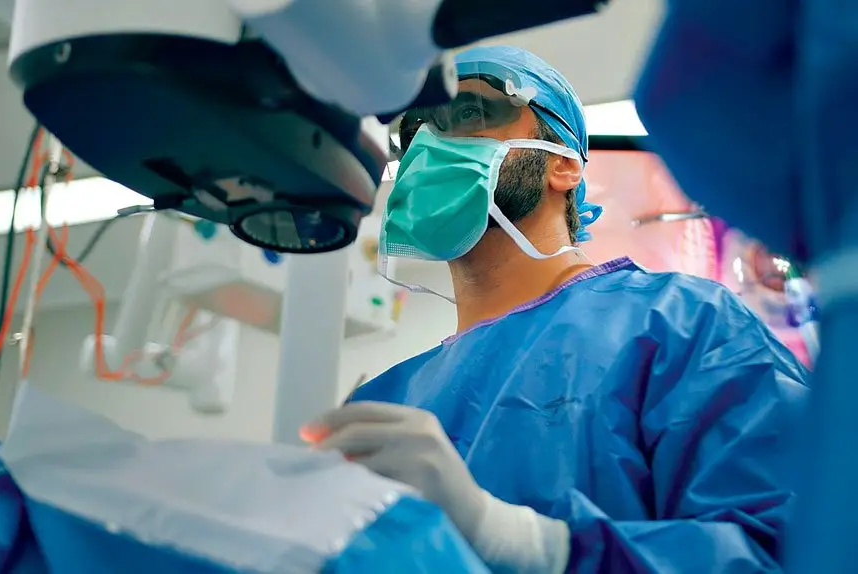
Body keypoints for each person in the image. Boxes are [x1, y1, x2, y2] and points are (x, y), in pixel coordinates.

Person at [299, 46, 810, 573]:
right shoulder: (385, 400)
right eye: (414, 134)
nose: (430, 146)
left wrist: (525, 544)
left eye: (471, 114)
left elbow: (793, 551)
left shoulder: (688, 326)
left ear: (563, 163)